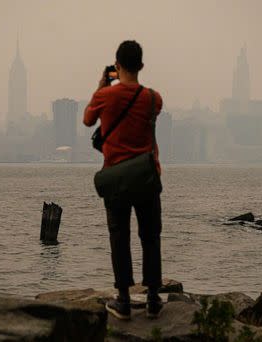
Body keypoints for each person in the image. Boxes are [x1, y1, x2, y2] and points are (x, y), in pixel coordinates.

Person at [83, 40, 164, 320]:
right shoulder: (154, 98)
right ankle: (153, 298)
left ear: (116, 66)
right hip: (146, 175)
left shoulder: (106, 96)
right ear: (141, 66)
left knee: (120, 237)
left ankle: (124, 301)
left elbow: (87, 120)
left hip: (116, 177)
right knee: (151, 236)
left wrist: (103, 85)